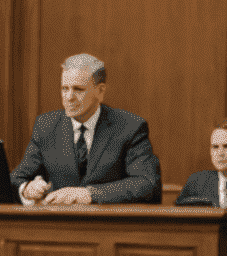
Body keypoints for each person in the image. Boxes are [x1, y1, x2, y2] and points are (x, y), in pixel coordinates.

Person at [11, 54, 161, 205]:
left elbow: (146, 184)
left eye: (78, 89)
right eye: (64, 88)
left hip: (109, 224)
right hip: (58, 224)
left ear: (100, 91)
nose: (69, 97)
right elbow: (17, 178)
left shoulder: (130, 126)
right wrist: (27, 189)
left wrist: (89, 194)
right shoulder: (46, 126)